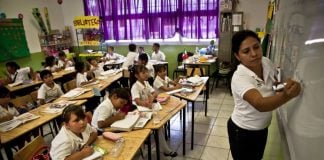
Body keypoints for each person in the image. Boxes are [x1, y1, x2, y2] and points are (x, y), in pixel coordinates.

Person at [228, 30, 301, 160]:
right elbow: (260, 104)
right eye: (246, 51)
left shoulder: (266, 62)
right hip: (243, 131)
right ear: (238, 56)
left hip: (262, 128)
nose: (254, 54)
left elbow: (273, 85)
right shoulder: (240, 77)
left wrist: (284, 86)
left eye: (256, 47)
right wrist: (287, 95)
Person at [131, 65, 177, 157]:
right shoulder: (135, 87)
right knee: (158, 126)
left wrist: (151, 98)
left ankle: (161, 143)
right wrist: (145, 103)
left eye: (146, 72)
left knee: (162, 119)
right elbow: (137, 101)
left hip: (149, 108)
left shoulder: (146, 83)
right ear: (136, 75)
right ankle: (166, 150)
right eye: (143, 73)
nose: (146, 74)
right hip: (141, 112)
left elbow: (154, 93)